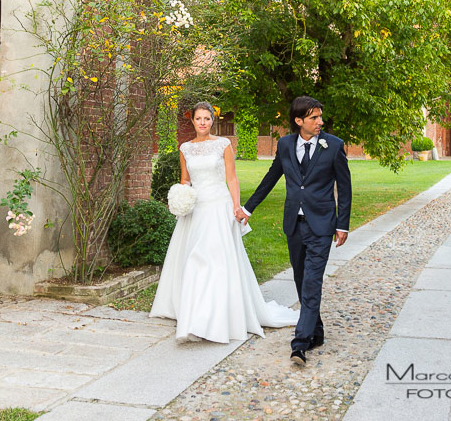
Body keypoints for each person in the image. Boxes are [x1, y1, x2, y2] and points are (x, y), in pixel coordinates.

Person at [150, 102, 299, 343]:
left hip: (219, 207)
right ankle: (194, 317)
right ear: (193, 121)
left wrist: (236, 205)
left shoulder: (223, 145)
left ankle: (216, 318)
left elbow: (232, 177)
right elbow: (185, 179)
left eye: (207, 119)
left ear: (212, 121)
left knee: (215, 262)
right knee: (194, 261)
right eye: (198, 118)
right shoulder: (185, 148)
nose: (202, 123)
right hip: (196, 211)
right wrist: (181, 196)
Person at [236, 96, 351, 366]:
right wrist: (248, 208)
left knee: (312, 282)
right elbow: (271, 177)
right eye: (314, 118)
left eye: (320, 117)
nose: (320, 122)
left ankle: (300, 344)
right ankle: (317, 331)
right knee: (301, 279)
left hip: (322, 225)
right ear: (299, 121)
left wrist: (342, 224)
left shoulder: (333, 146)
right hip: (294, 225)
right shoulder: (286, 145)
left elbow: (344, 188)